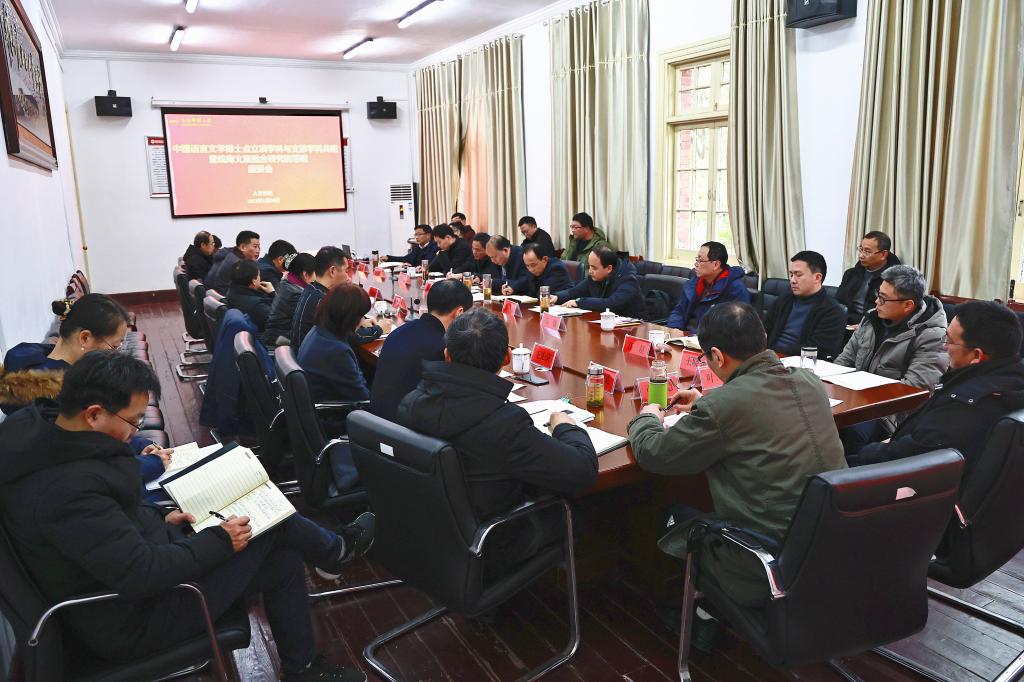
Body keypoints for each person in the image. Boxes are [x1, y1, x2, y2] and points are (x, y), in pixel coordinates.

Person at [0, 352, 374, 682]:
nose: (135, 432)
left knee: (281, 557)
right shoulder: (67, 490)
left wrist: (159, 520)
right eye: (133, 421)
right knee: (272, 525)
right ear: (94, 414)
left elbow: (103, 533)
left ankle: (304, 666)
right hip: (134, 620)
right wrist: (220, 539)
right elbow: (141, 573)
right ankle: (337, 552)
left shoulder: (47, 440)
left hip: (134, 585)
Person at [628, 302, 846, 606]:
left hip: (768, 560)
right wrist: (708, 402)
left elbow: (654, 454)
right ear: (763, 337)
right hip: (834, 542)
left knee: (670, 514)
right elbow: (761, 410)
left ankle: (699, 611)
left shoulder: (723, 407)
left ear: (717, 356)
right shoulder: (809, 381)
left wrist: (647, 417)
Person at [396, 308, 597, 576]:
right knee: (578, 512)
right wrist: (565, 426)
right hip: (489, 545)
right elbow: (583, 471)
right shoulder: (505, 424)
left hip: (424, 530)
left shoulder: (411, 402)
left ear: (447, 355)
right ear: (506, 359)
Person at [849, 302, 1024, 468]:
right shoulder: (1012, 381)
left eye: (949, 340)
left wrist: (858, 457)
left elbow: (910, 454)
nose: (944, 347)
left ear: (976, 356)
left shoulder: (963, 405)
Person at [834, 264, 948, 453]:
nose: (876, 302)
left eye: (883, 298)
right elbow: (843, 363)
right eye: (877, 295)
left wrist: (860, 400)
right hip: (854, 403)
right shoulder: (871, 319)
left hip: (890, 416)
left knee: (848, 432)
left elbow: (913, 392)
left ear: (908, 305)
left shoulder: (932, 335)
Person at [369, 280, 473, 422]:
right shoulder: (443, 348)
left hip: (374, 423)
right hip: (404, 430)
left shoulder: (399, 331)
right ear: (459, 313)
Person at [291, 247, 382, 349]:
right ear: (332, 271)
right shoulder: (324, 301)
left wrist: (358, 324)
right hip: (317, 357)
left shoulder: (311, 290)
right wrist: (379, 328)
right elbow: (349, 337)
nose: (348, 277)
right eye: (346, 270)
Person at [297, 284, 372, 406]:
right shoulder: (336, 351)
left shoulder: (319, 330)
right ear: (351, 318)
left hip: (316, 402)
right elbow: (363, 399)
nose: (362, 320)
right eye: (361, 316)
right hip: (333, 414)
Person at [763, 251, 847, 359]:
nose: (792, 280)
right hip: (769, 356)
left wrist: (776, 353)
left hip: (798, 362)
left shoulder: (832, 311)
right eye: (791, 275)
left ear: (817, 277)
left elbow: (819, 350)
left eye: (798, 275)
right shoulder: (784, 300)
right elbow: (765, 328)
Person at [665, 241, 750, 332]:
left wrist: (697, 336)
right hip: (684, 335)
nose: (696, 264)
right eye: (697, 259)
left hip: (708, 338)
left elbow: (735, 325)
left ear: (716, 265)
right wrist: (675, 329)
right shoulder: (695, 283)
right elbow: (679, 311)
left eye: (700, 260)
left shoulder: (735, 289)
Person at [552, 245, 644, 318]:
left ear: (609, 268)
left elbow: (612, 304)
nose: (590, 271)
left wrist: (579, 302)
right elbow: (574, 292)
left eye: (594, 268)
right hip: (605, 323)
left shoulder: (628, 279)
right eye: (589, 266)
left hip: (632, 327)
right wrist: (557, 297)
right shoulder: (595, 276)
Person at [836, 230, 902, 325]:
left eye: (867, 251)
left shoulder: (893, 280)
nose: (861, 255)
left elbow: (891, 314)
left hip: (872, 325)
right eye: (861, 249)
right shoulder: (851, 274)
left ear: (883, 254)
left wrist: (865, 326)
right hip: (844, 321)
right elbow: (838, 302)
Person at [262, 253, 315, 347]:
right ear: (305, 274)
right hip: (280, 342)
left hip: (276, 336)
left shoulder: (287, 283)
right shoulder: (296, 294)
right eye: (316, 273)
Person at [502, 243, 573, 297]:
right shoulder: (532, 265)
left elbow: (542, 294)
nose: (531, 269)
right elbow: (525, 281)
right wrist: (512, 288)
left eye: (533, 265)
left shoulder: (557, 269)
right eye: (527, 265)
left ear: (544, 259)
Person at [224, 260, 275, 332]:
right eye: (259, 275)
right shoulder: (258, 306)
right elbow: (278, 323)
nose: (260, 278)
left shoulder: (231, 291)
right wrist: (273, 294)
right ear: (254, 281)